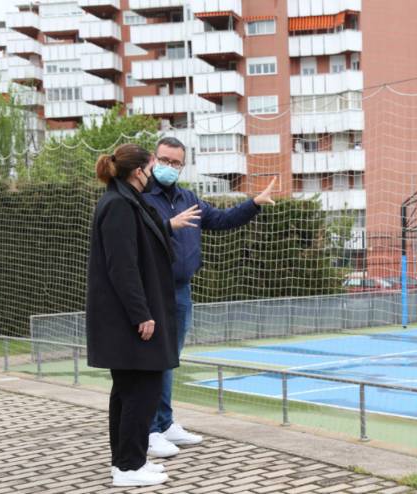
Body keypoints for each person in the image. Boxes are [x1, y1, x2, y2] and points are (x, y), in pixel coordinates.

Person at [143, 137, 277, 457]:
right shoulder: (142, 198)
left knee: (169, 360)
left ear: (182, 166)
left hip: (181, 291)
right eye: (164, 160)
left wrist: (254, 203)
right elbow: (136, 237)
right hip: (152, 290)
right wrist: (168, 225)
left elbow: (220, 220)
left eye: (175, 163)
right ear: (153, 160)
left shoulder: (188, 198)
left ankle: (165, 423)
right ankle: (148, 430)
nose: (169, 167)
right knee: (151, 362)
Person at [86, 143, 178, 487]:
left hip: (129, 317)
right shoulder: (118, 205)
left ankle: (129, 461)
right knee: (140, 391)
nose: (155, 174)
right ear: (138, 171)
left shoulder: (127, 201)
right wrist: (141, 314)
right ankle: (128, 467)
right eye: (152, 167)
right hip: (128, 320)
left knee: (129, 392)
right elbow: (122, 266)